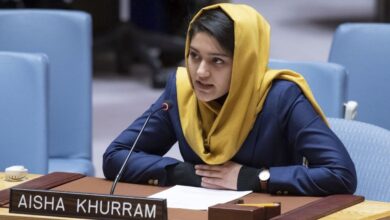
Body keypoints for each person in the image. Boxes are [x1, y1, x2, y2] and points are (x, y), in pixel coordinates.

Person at [103, 3, 357, 195]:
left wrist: (255, 178)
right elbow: (115, 156)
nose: (200, 72)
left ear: (244, 63)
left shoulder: (281, 97)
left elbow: (340, 174)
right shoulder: (181, 90)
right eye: (194, 56)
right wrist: (181, 172)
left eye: (217, 61)